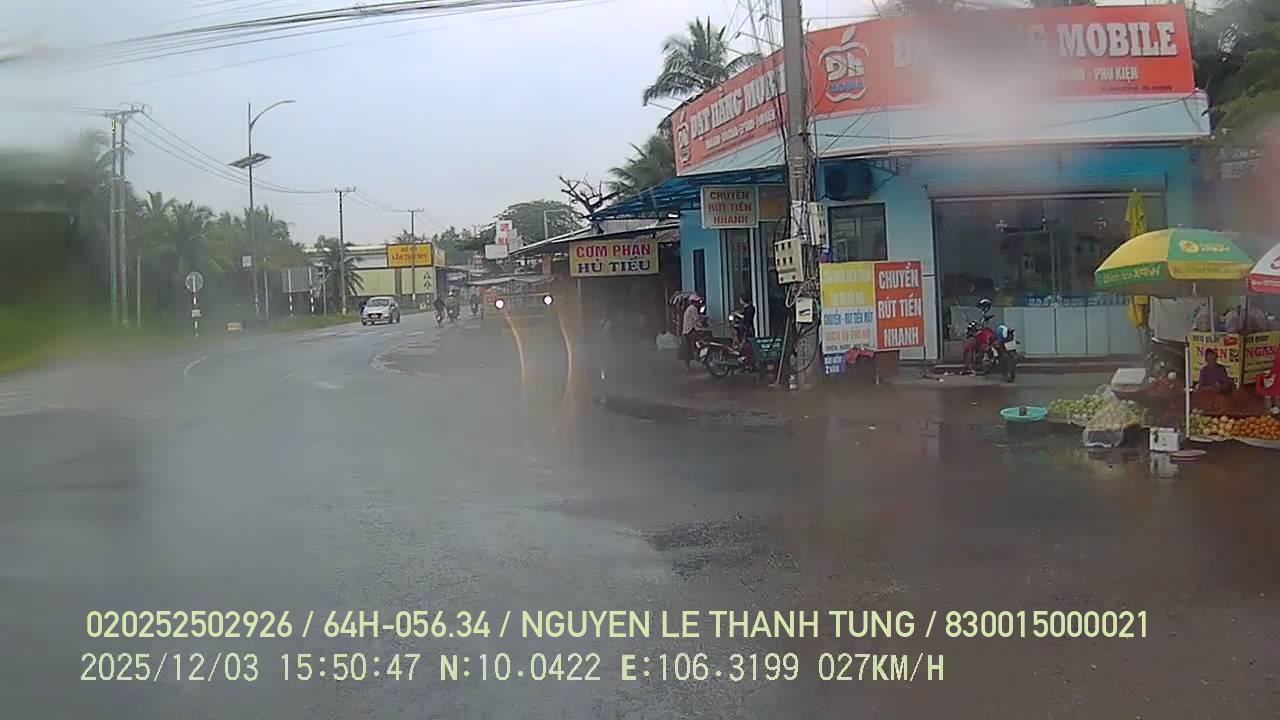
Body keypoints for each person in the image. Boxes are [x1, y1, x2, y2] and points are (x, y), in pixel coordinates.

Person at [680, 294, 704, 370]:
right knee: (704, 341)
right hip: (690, 331)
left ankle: (688, 364)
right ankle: (701, 357)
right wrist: (702, 323)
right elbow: (697, 320)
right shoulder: (693, 309)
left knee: (687, 349)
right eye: (697, 302)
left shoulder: (690, 308)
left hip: (687, 331)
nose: (698, 303)